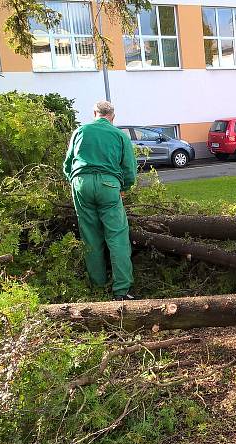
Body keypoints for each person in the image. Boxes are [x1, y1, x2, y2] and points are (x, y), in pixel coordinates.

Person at [63, 101, 138, 300]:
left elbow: (68, 164)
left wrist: (76, 181)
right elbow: (130, 169)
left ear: (94, 113)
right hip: (109, 185)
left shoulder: (80, 131)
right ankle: (121, 291)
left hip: (81, 183)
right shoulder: (120, 135)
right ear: (113, 116)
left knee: (90, 236)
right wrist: (124, 188)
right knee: (117, 237)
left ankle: (98, 287)